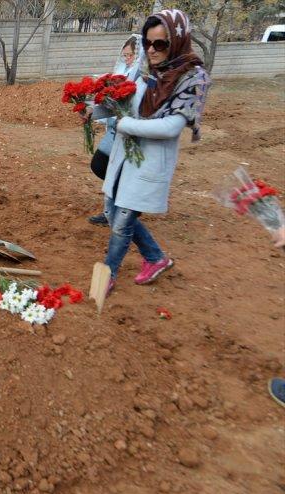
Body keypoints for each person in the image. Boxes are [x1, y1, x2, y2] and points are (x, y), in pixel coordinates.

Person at [97, 9, 211, 294]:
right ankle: (155, 257)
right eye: (148, 42)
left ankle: (108, 273)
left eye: (160, 43)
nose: (152, 49)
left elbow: (172, 127)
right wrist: (93, 109)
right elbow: (122, 101)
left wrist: (126, 125)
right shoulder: (146, 70)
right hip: (126, 157)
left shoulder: (192, 77)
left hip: (150, 161)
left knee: (123, 221)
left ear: (178, 40)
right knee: (112, 211)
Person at [88, 35, 144, 226]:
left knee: (114, 171)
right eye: (125, 55)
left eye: (130, 55)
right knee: (99, 165)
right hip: (115, 130)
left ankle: (119, 209)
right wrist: (92, 112)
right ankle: (123, 206)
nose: (127, 59)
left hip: (129, 134)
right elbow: (113, 105)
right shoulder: (121, 73)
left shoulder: (141, 78)